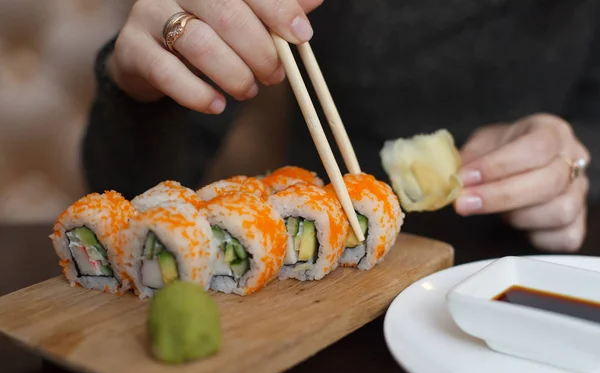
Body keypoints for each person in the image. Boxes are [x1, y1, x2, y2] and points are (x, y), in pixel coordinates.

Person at [83, 0, 596, 254]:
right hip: (325, 273)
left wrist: (573, 160)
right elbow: (133, 192)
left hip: (525, 281)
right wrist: (138, 87)